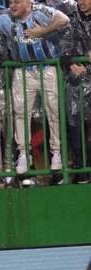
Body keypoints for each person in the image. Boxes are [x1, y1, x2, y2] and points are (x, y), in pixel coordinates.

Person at [0, 0, 69, 175]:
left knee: (53, 112)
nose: (13, 5)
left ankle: (57, 153)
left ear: (27, 2)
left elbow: (64, 19)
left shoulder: (41, 11)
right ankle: (24, 154)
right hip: (23, 70)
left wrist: (43, 31)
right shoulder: (6, 18)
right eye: (10, 2)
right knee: (21, 114)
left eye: (17, 1)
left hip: (47, 68)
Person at [60, 0, 91, 183]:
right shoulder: (71, 21)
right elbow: (63, 49)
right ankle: (82, 171)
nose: (81, 2)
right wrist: (71, 63)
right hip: (76, 83)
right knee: (76, 128)